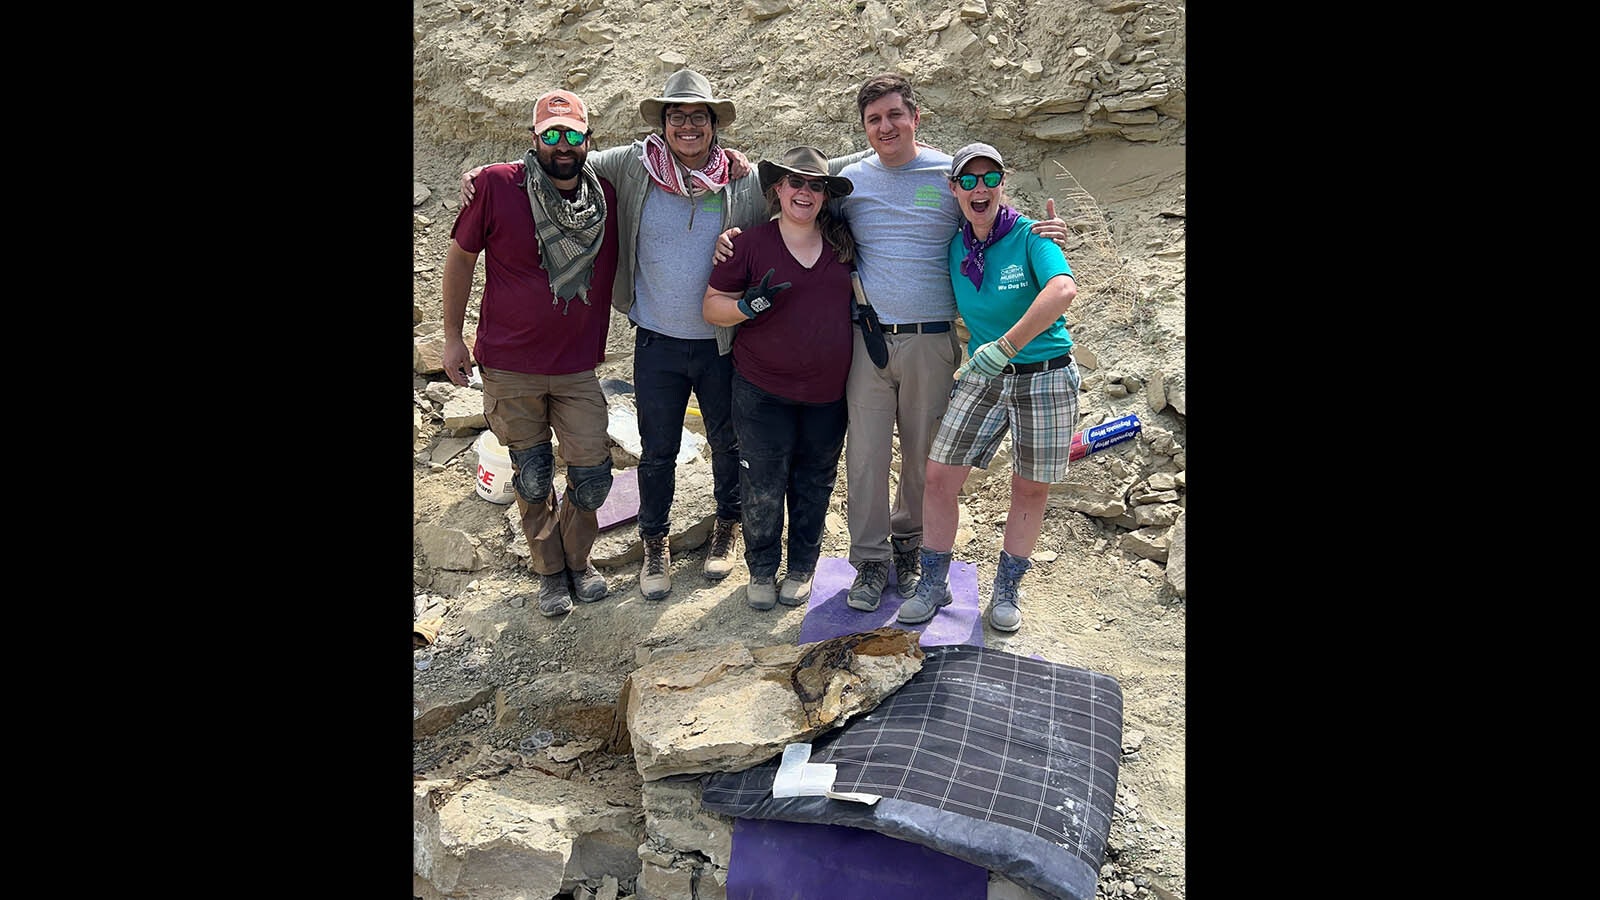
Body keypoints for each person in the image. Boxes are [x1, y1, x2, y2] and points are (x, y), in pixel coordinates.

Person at [462, 69, 767, 604]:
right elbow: (554, 163)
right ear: (664, 124)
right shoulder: (632, 166)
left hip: (722, 342)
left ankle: (726, 527)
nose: (688, 125)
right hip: (655, 340)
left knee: (727, 442)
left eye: (699, 116)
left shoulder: (743, 179)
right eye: (677, 116)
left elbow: (800, 191)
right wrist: (481, 172)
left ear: (715, 125)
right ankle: (653, 541)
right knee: (654, 451)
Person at [823, 74, 1071, 613]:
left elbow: (990, 202)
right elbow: (793, 191)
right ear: (863, 127)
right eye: (873, 120)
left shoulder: (947, 172)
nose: (885, 127)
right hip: (866, 338)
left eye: (895, 115)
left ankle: (911, 549)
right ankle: (869, 560)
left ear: (916, 117)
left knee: (923, 455)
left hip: (933, 340)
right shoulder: (846, 176)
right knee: (864, 455)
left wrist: (1037, 231)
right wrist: (732, 230)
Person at [441, 89, 621, 618]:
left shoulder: (604, 196)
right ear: (534, 139)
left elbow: (658, 163)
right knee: (533, 473)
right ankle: (550, 573)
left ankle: (576, 561)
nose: (562, 145)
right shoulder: (498, 186)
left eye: (572, 134)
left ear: (589, 139)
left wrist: (733, 163)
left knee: (591, 476)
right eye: (551, 135)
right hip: (509, 363)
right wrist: (452, 336)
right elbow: (460, 258)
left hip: (576, 366)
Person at [895, 143, 1080, 633]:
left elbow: (1061, 289)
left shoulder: (1029, 235)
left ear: (1003, 182)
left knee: (1030, 487)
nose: (981, 188)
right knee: (939, 477)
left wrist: (1007, 344)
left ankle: (1007, 589)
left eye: (990, 178)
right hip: (985, 374)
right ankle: (934, 581)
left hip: (1045, 375)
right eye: (969, 180)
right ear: (954, 189)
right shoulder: (956, 244)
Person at [701, 147, 855, 611]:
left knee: (814, 482)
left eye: (815, 185)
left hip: (828, 393)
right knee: (763, 482)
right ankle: (763, 568)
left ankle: (802, 567)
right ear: (777, 189)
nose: (804, 192)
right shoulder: (748, 244)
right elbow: (712, 305)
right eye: (795, 183)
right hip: (761, 390)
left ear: (825, 196)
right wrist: (746, 306)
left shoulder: (845, 245)